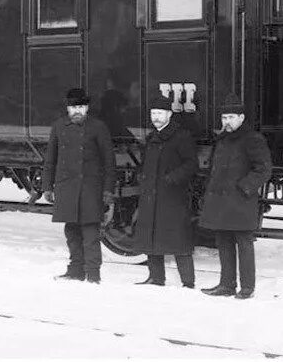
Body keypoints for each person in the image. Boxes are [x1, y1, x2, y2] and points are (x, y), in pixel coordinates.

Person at [198, 92, 272, 300]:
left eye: (231, 118)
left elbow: (264, 169)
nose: (226, 122)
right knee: (223, 243)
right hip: (221, 201)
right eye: (224, 118)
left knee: (244, 245)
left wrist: (244, 188)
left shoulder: (253, 139)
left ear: (241, 118)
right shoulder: (222, 140)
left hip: (240, 201)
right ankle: (226, 285)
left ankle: (247, 288)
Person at [42, 87, 116, 284]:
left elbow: (109, 161)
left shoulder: (98, 127)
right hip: (66, 187)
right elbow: (51, 159)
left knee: (91, 232)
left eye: (81, 107)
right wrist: (47, 186)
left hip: (90, 188)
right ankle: (75, 270)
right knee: (71, 231)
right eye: (74, 107)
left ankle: (93, 275)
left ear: (87, 108)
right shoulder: (58, 127)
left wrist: (108, 190)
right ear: (67, 109)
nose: (77, 111)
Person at [132, 94, 198, 288]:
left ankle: (188, 282)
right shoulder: (151, 137)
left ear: (169, 114)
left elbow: (191, 164)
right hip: (151, 195)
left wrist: (172, 179)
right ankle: (156, 277)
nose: (156, 117)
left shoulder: (181, 136)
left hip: (172, 197)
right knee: (151, 235)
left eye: (160, 113)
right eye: (153, 113)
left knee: (179, 239)